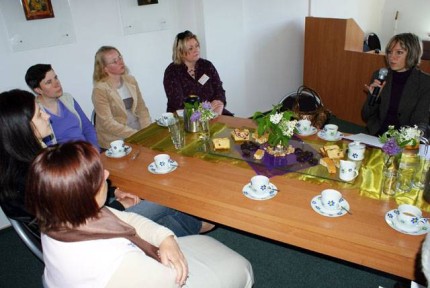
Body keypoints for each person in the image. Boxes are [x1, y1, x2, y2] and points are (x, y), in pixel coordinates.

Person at [26, 141, 254, 287]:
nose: (106, 173)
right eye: (98, 175)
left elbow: (125, 218)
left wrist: (165, 237)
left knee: (170, 218)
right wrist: (163, 249)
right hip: (165, 278)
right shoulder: (114, 259)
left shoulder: (59, 218)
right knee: (241, 265)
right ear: (82, 194)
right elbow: (170, 279)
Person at [0, 89, 211, 237]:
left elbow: (76, 201)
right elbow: (83, 223)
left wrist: (111, 196)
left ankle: (186, 227)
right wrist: (118, 205)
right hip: (97, 230)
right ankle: (193, 223)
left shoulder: (20, 167)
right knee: (165, 195)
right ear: (23, 127)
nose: (46, 116)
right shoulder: (38, 174)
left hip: (90, 222)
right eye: (39, 114)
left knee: (163, 208)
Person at [362, 33, 430, 136]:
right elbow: (366, 116)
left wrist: (413, 137)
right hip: (377, 135)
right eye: (389, 52)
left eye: (399, 52)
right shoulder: (380, 75)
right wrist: (374, 98)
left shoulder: (425, 82)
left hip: (405, 140)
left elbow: (421, 121)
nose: (392, 57)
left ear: (413, 53)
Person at [25, 64, 100, 151]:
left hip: (87, 152)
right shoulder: (36, 112)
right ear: (38, 90)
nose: (57, 84)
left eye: (56, 78)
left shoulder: (68, 98)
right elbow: (47, 148)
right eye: (49, 82)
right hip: (64, 159)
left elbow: (87, 127)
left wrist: (94, 150)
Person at [92, 46, 151, 149]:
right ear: (104, 68)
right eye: (114, 61)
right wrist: (136, 135)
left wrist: (146, 131)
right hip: (116, 140)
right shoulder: (100, 90)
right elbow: (108, 123)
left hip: (137, 132)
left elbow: (142, 109)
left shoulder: (131, 80)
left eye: (120, 57)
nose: (120, 62)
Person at [163, 30, 233, 116]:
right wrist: (207, 108)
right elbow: (178, 104)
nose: (196, 50)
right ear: (180, 52)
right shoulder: (172, 72)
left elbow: (219, 89)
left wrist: (218, 105)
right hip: (185, 119)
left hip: (214, 112)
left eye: (197, 46)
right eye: (190, 48)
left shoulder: (207, 65)